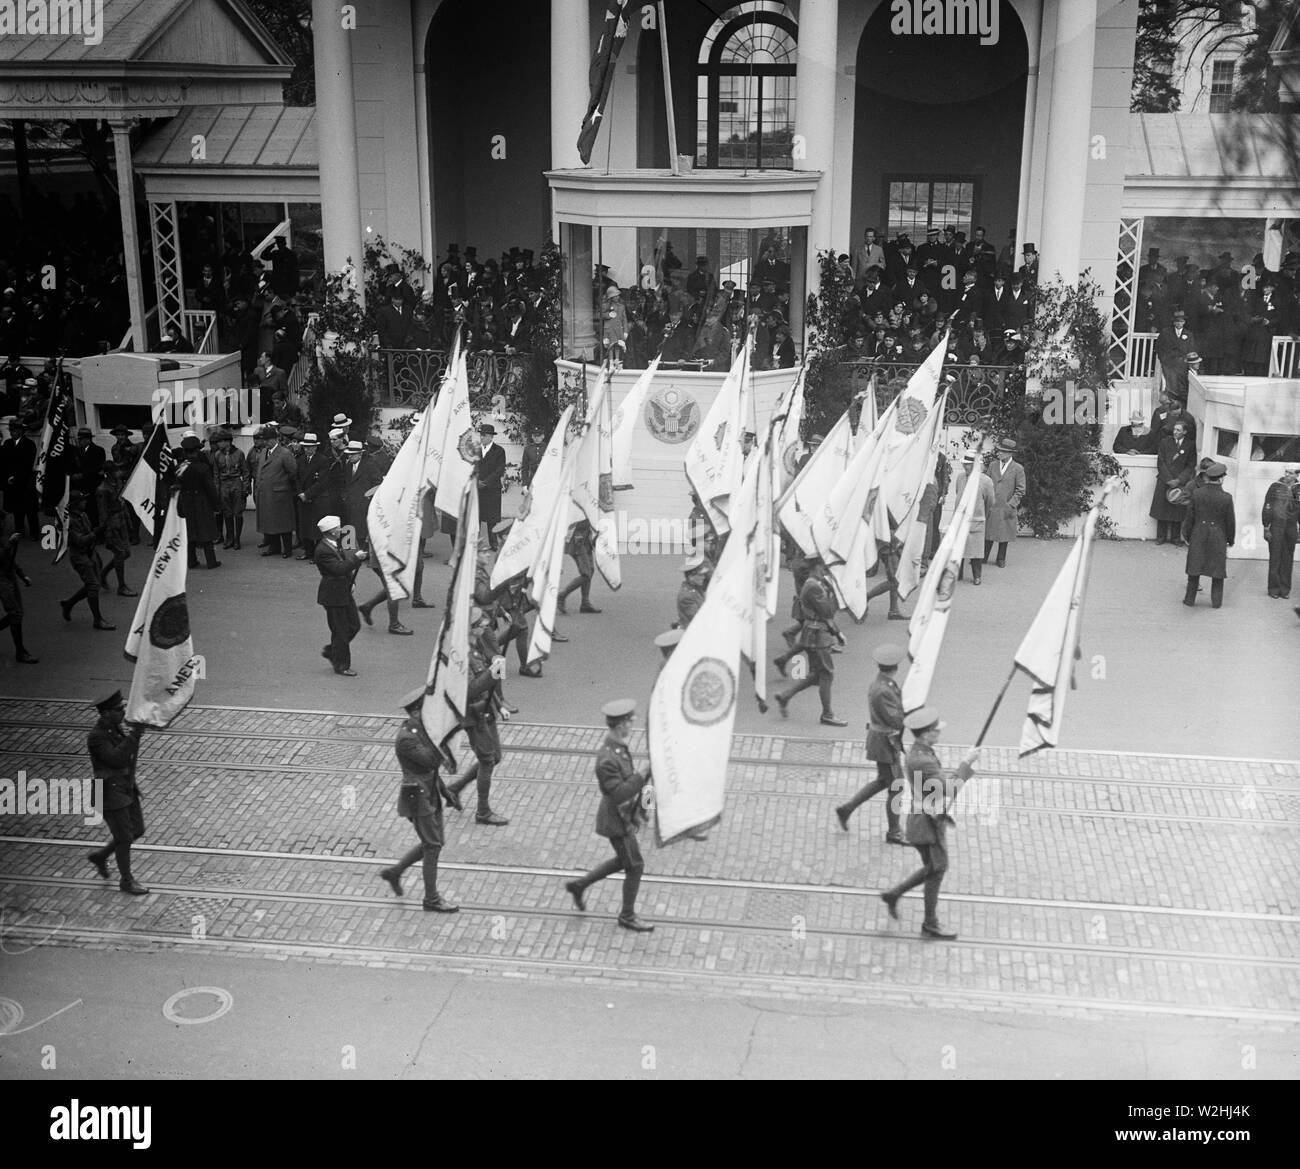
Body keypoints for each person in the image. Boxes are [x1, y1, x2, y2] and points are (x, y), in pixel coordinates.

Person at [879, 706, 980, 941]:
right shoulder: (923, 760)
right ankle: (930, 924)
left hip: (925, 817)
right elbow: (949, 788)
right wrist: (966, 762)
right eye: (936, 731)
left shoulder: (920, 752)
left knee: (933, 868)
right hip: (927, 822)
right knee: (938, 869)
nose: (939, 733)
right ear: (925, 734)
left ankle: (895, 895)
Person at [563, 698, 655, 932]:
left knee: (624, 861)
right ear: (619, 724)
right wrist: (642, 775)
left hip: (624, 815)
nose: (632, 722)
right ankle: (626, 915)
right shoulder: (607, 759)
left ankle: (579, 885)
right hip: (616, 819)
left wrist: (644, 803)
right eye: (628, 720)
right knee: (635, 866)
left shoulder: (618, 747)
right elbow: (619, 794)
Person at [377, 687, 460, 913]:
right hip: (417, 797)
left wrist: (446, 792)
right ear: (415, 711)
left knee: (433, 843)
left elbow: (431, 771)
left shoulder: (422, 729)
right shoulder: (407, 738)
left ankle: (395, 872)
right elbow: (430, 762)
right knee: (432, 846)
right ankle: (431, 899)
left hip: (430, 792)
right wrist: (444, 739)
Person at [444, 607, 510, 825]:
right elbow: (471, 689)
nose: (485, 628)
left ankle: (455, 788)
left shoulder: (476, 646)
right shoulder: (461, 654)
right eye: (482, 625)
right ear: (471, 629)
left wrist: (499, 705)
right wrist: (493, 672)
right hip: (473, 713)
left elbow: (487, 682)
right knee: (487, 759)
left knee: (495, 757)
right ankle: (483, 811)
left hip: (486, 709)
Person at [835, 643, 906, 843]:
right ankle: (894, 832)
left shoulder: (883, 684)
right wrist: (908, 713)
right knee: (897, 787)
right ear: (896, 667)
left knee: (884, 781)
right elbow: (895, 720)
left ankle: (846, 809)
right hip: (885, 744)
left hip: (883, 741)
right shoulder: (883, 689)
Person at [85, 690, 150, 895]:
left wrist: (133, 735)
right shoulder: (97, 737)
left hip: (124, 787)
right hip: (108, 793)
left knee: (137, 829)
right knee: (124, 838)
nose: (123, 711)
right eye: (118, 709)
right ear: (105, 713)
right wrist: (135, 735)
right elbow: (116, 759)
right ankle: (126, 881)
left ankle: (101, 856)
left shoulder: (114, 728)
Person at [774, 559, 847, 727]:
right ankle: (827, 714)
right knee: (827, 674)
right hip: (818, 635)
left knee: (816, 676)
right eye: (824, 567)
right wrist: (834, 592)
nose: (825, 571)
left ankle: (786, 696)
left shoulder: (814, 584)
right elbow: (827, 612)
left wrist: (837, 633)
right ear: (816, 567)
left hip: (814, 633)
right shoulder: (814, 586)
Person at [313, 515, 367, 676]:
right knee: (341, 631)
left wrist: (351, 581)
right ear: (331, 532)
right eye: (337, 528)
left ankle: (334, 651)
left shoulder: (333, 545)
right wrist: (356, 559)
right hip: (333, 594)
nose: (340, 530)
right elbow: (338, 568)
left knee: (353, 625)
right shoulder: (323, 551)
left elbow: (343, 566)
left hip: (342, 590)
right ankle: (341, 665)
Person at [1181, 462, 1235, 609]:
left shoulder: (1197, 494)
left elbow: (1190, 516)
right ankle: (1216, 602)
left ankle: (1189, 599)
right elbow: (1230, 521)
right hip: (1218, 535)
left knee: (1195, 567)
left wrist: (1187, 535)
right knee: (1217, 570)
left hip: (1199, 533)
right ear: (1221, 479)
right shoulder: (1226, 498)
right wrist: (1230, 539)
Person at [60, 490, 115, 630]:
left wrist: (98, 531)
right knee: (93, 587)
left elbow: (89, 533)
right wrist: (95, 533)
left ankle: (69, 603)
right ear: (74, 505)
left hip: (91, 553)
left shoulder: (83, 515)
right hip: (80, 557)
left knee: (92, 585)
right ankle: (98, 620)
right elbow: (79, 541)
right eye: (81, 501)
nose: (85, 502)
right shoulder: (69, 522)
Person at [176, 435, 222, 570]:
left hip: (186, 501)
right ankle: (211, 561)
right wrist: (216, 505)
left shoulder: (181, 466)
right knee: (205, 530)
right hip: (201, 502)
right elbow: (210, 488)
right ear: (197, 450)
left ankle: (191, 561)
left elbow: (177, 484)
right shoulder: (203, 468)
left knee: (190, 531)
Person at [951, 451, 996, 584]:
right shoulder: (960, 477)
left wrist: (982, 514)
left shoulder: (986, 481)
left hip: (976, 521)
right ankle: (957, 574)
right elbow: (957, 494)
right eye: (965, 464)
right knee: (958, 549)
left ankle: (977, 576)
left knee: (976, 551)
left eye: (969, 465)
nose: (966, 467)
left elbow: (990, 501)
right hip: (960, 520)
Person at [254, 424, 298, 557]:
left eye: (267, 440)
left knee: (284, 523)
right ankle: (274, 547)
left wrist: (283, 485)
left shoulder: (285, 453)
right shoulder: (263, 452)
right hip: (266, 494)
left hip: (280, 494)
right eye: (264, 440)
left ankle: (288, 549)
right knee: (270, 522)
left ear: (275, 439)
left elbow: (293, 472)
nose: (265, 442)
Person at [1150, 420, 1195, 546]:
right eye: (1174, 429)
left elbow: (1191, 465)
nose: (1175, 432)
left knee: (1177, 509)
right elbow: (1161, 462)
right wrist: (1169, 479)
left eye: (1178, 430)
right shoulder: (1165, 442)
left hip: (1180, 482)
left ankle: (1176, 538)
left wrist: (1179, 480)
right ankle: (1161, 537)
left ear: (1185, 432)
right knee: (1162, 509)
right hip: (1165, 480)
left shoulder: (1190, 445)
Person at [95, 463, 136, 595]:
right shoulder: (103, 489)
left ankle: (103, 574)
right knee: (120, 553)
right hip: (112, 523)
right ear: (110, 472)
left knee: (126, 553)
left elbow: (122, 504)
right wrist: (106, 530)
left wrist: (129, 522)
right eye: (116, 470)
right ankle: (122, 586)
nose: (119, 472)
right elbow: (102, 512)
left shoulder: (117, 483)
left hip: (121, 520)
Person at [0, 514, 37, 662]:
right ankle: (20, 651)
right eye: (1, 521)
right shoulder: (5, 540)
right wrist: (10, 544)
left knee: (17, 613)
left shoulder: (2, 537)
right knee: (15, 613)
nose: (3, 523)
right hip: (1, 579)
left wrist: (22, 575)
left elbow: (10, 560)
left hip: (9, 576)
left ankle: (20, 650)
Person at [984, 437, 1026, 567]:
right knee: (988, 532)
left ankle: (1001, 558)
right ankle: (983, 556)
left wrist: (1011, 504)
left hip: (1007, 506)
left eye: (1002, 451)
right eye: (999, 451)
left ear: (1009, 453)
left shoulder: (1018, 468)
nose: (999, 453)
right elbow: (986, 483)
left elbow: (1021, 489)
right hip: (992, 505)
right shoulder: (992, 465)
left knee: (1004, 534)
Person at [1262, 466, 1299, 599]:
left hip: (1291, 527)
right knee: (1275, 557)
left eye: (1291, 473)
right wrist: (1266, 526)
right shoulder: (1275, 487)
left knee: (1288, 558)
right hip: (1276, 527)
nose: (1287, 475)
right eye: (1286, 472)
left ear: (1297, 475)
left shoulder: (1298, 489)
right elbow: (1267, 506)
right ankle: (1273, 589)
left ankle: (1285, 589)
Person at [212, 429, 249, 550]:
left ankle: (237, 539)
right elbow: (216, 474)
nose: (217, 444)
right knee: (227, 513)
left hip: (236, 483)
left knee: (237, 513)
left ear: (227, 441)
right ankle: (229, 538)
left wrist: (245, 487)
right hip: (224, 485)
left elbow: (245, 472)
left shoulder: (239, 453)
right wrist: (217, 491)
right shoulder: (217, 455)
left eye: (219, 441)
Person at [557, 518, 601, 615]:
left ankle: (585, 603)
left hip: (586, 538)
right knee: (586, 574)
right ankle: (561, 595)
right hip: (577, 539)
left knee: (591, 570)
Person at [476, 422, 505, 548]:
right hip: (477, 487)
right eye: (481, 435)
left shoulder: (499, 451)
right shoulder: (476, 449)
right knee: (476, 517)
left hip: (492, 488)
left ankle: (493, 543)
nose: (481, 437)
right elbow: (471, 467)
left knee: (492, 518)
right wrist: (476, 481)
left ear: (491, 436)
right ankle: (475, 543)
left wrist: (486, 482)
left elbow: (499, 470)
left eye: (484, 435)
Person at [676, 551, 710, 628]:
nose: (704, 577)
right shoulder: (686, 597)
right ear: (691, 577)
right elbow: (698, 619)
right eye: (700, 575)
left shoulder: (696, 587)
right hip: (692, 632)